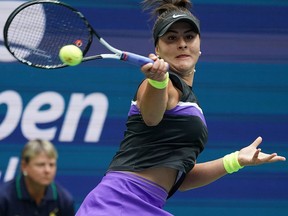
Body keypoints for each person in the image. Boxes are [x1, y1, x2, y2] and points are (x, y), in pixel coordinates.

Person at [76, 0, 286, 215]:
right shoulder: (161, 85)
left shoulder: (190, 102)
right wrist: (158, 81)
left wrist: (235, 161)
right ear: (157, 49)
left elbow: (181, 179)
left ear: (199, 44)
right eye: (172, 38)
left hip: (147, 203)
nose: (182, 44)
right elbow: (151, 116)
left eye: (189, 36)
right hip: (118, 202)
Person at [0, 139, 75, 216]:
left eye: (52, 165)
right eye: (41, 165)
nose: (47, 170)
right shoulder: (3, 198)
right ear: (24, 166)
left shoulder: (64, 201)